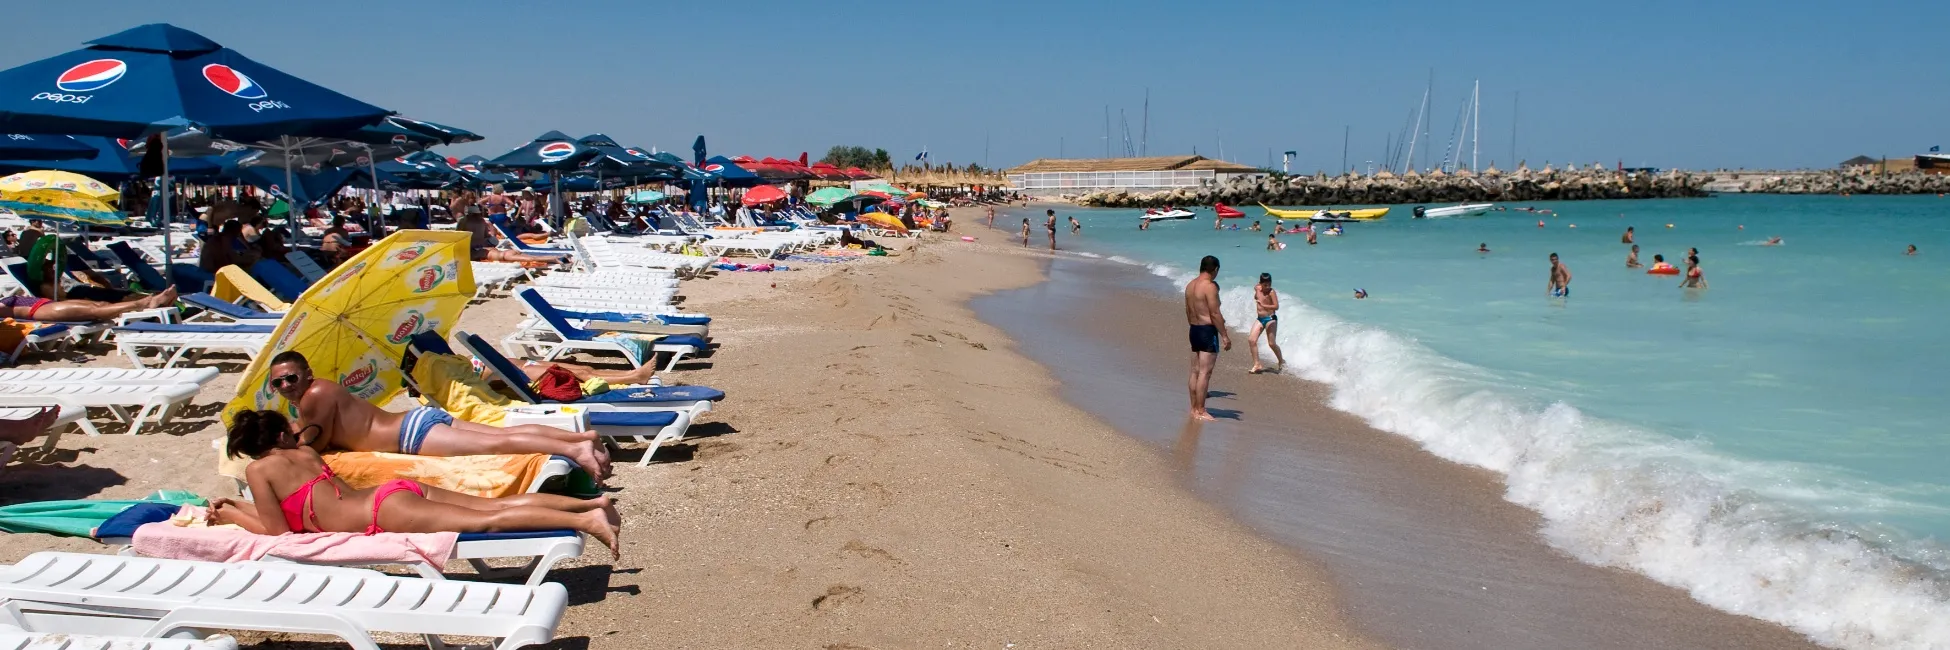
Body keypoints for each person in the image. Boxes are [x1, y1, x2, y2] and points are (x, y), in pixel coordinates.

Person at [214, 410, 620, 556]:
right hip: (391, 493)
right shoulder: (305, 453)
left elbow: (277, 531)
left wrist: (232, 512)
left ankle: (586, 521)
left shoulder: (259, 471)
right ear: (280, 435)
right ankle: (590, 506)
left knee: (486, 523)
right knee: (493, 507)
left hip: (382, 511)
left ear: (252, 449)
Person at [263, 351, 611, 480]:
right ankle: (580, 438)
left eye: (291, 377)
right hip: (415, 423)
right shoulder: (318, 392)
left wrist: (292, 437)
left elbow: (316, 443)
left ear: (307, 373)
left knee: (499, 442)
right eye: (277, 382)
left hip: (409, 437)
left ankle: (574, 450)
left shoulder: (314, 395)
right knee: (497, 436)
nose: (285, 385)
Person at [1182, 255, 1229, 421]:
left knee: (1195, 370)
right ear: (1215, 269)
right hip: (1207, 331)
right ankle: (1201, 410)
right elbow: (1215, 313)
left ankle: (1194, 408)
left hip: (1194, 329)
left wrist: (1194, 326)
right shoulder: (1209, 287)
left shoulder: (1190, 285)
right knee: (1205, 372)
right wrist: (1224, 336)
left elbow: (1188, 310)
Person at [1, 288, 176, 323]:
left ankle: (148, 305)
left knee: (101, 304)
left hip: (46, 303)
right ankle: (144, 303)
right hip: (38, 311)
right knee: (95, 311)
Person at [1248, 273, 1284, 374]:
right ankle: (1257, 364)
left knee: (1271, 343)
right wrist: (1256, 295)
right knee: (1251, 340)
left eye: (1269, 284)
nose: (1268, 287)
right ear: (1260, 284)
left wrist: (1264, 305)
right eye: (1265, 285)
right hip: (1260, 319)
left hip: (1270, 318)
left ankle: (1281, 361)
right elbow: (1256, 294)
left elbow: (1276, 306)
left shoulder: (1272, 292)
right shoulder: (1257, 288)